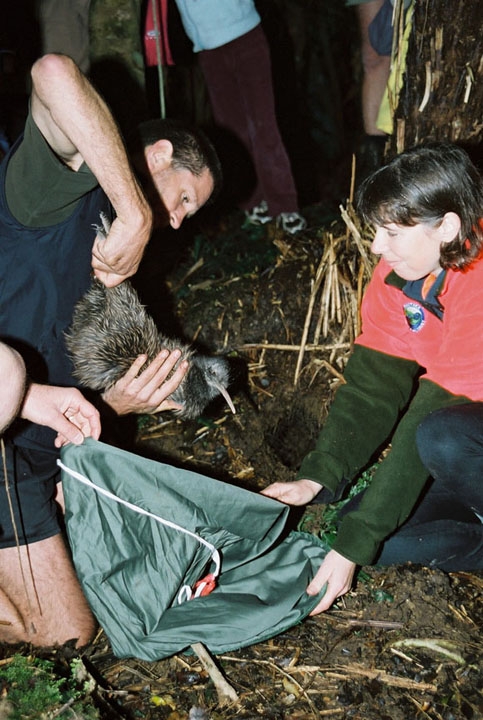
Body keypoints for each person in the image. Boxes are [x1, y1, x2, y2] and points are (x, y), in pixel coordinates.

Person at [0, 52, 222, 647]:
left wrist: (117, 405)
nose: (174, 223)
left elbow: (48, 411)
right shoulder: (61, 194)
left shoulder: (115, 280)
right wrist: (135, 209)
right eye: (181, 200)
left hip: (16, 460)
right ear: (158, 157)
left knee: (68, 634)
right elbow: (51, 73)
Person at [262, 142, 483, 614]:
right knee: (370, 533)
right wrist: (318, 478)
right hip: (472, 463)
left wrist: (352, 546)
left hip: (463, 440)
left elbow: (437, 406)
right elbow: (372, 389)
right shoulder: (397, 277)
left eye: (391, 232)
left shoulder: (479, 275)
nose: (377, 247)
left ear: (447, 226)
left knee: (441, 436)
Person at [173, 0, 306, 234]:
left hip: (245, 34)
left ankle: (285, 205)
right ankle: (254, 203)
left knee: (264, 126)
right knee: (232, 130)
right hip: (207, 47)